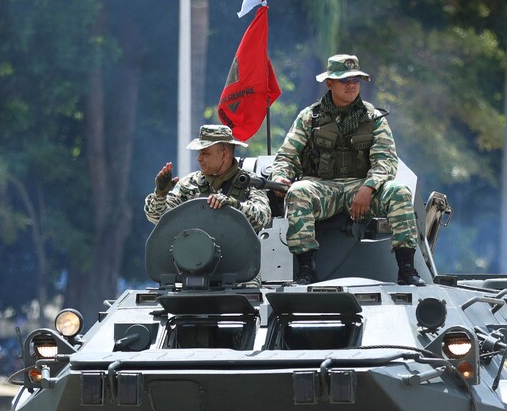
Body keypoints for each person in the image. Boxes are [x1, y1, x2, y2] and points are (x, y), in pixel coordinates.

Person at [270, 53, 424, 285]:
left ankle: (407, 270)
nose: (351, 85)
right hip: (322, 187)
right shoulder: (310, 117)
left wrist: (369, 187)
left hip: (361, 188)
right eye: (344, 80)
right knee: (298, 192)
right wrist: (280, 177)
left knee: (399, 192)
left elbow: (385, 161)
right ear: (329, 83)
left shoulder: (373, 118)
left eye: (355, 80)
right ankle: (306, 270)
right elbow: (287, 156)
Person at [146, 124, 272, 232]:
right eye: (199, 153)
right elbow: (158, 218)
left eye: (205, 153)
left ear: (223, 155)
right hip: (196, 256)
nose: (199, 158)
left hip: (241, 257)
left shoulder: (249, 182)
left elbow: (263, 217)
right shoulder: (190, 183)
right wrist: (160, 194)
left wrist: (234, 206)